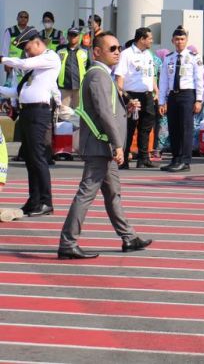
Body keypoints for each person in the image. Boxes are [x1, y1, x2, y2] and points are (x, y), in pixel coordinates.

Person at [57, 32, 152, 259]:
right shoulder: (98, 75)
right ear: (97, 51)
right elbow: (103, 113)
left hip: (104, 146)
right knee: (86, 193)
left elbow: (109, 110)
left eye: (119, 48)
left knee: (113, 194)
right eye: (112, 49)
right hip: (101, 146)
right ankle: (67, 242)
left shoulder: (104, 75)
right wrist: (119, 145)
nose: (117, 52)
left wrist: (125, 109)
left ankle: (128, 237)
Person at [1, 27, 60, 216]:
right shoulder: (35, 69)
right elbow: (17, 92)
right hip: (27, 113)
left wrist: (2, 59)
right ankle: (34, 199)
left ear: (37, 42)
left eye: (27, 48)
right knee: (29, 158)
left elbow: (24, 64)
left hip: (38, 112)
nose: (27, 53)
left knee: (38, 157)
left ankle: (45, 201)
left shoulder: (50, 58)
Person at [157, 27, 204, 172]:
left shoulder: (194, 57)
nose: (179, 42)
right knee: (174, 128)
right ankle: (175, 158)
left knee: (186, 128)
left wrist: (198, 100)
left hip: (187, 94)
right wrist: (161, 101)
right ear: (172, 41)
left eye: (182, 39)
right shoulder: (169, 58)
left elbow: (199, 80)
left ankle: (185, 160)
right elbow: (164, 80)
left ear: (186, 41)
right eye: (177, 39)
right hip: (173, 95)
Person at [115, 27, 159, 169]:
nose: (151, 41)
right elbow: (120, 75)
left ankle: (143, 157)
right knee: (129, 127)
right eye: (150, 38)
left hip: (147, 95)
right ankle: (125, 158)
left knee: (146, 127)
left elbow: (150, 74)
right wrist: (121, 96)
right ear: (141, 39)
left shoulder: (148, 54)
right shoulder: (126, 54)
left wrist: (155, 89)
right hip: (132, 95)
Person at [56, 27, 89, 108]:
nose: (72, 37)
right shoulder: (60, 51)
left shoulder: (85, 51)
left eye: (75, 35)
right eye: (70, 35)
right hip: (64, 87)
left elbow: (89, 68)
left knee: (78, 114)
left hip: (80, 87)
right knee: (63, 113)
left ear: (79, 37)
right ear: (67, 36)